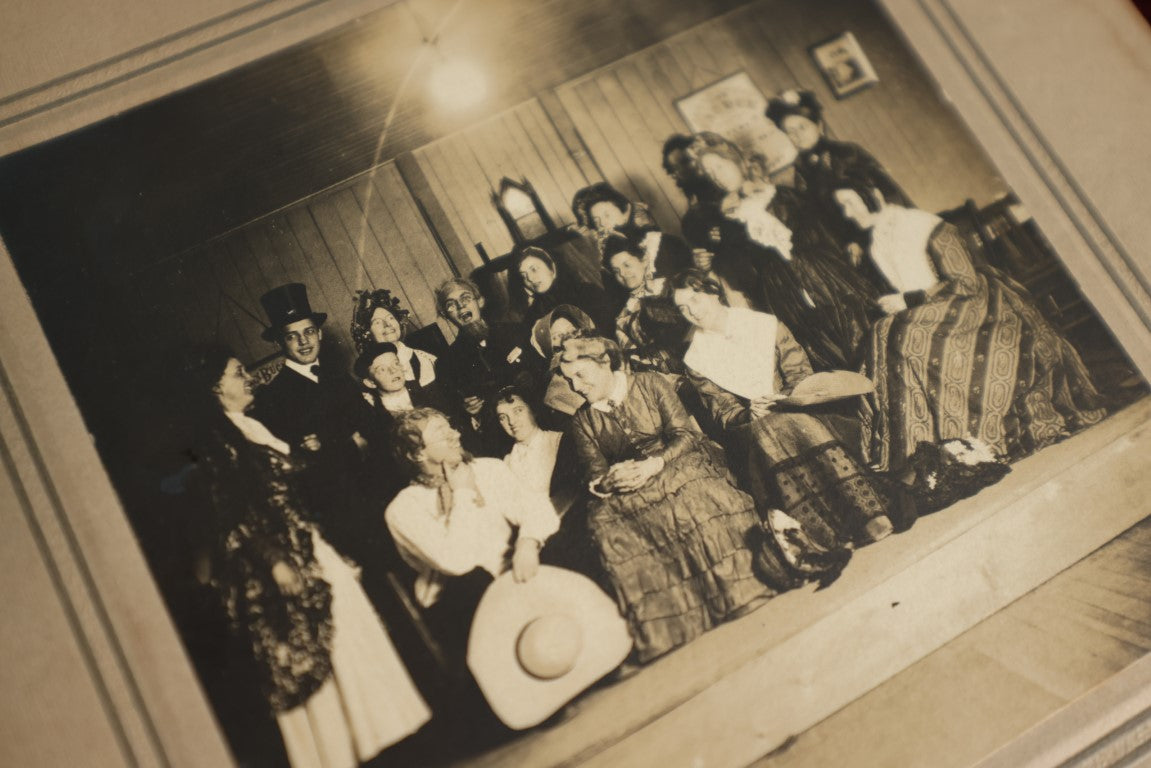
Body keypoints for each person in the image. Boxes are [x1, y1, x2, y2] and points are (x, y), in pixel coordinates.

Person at [188, 348, 430, 768]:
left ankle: (381, 745)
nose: (248, 377)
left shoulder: (251, 425)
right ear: (215, 388)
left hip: (307, 545)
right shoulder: (217, 442)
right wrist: (274, 559)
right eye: (237, 373)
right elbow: (229, 513)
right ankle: (337, 756)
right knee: (311, 653)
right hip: (276, 562)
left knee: (350, 638)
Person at [832, 180, 1109, 471]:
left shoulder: (925, 225)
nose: (847, 213)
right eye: (842, 207)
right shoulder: (875, 238)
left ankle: (963, 436)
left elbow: (966, 282)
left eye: (851, 202)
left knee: (903, 334)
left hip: (980, 306)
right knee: (885, 333)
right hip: (934, 310)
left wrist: (910, 299)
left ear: (873, 194)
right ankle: (916, 449)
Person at [559, 334, 776, 663]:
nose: (575, 387)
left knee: (690, 497)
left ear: (605, 364)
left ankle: (736, 593)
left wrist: (655, 463)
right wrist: (610, 480)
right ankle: (674, 627)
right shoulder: (582, 421)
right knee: (604, 523)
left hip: (678, 460)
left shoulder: (649, 384)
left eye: (580, 376)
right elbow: (594, 472)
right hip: (631, 481)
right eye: (568, 379)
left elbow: (685, 435)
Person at [670, 269, 896, 548]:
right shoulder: (696, 357)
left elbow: (799, 371)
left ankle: (864, 513)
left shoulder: (763, 325)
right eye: (682, 307)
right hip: (751, 428)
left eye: (695, 299)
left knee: (785, 425)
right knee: (770, 430)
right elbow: (722, 410)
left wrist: (783, 398)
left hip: (799, 406)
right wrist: (748, 412)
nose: (692, 310)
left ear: (714, 293)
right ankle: (826, 532)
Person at [688, 131, 879, 370]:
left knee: (862, 333)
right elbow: (744, 277)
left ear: (735, 160)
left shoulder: (784, 196)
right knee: (826, 353)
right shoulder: (726, 223)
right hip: (782, 293)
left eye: (719, 166)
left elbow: (824, 235)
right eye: (710, 173)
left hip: (824, 275)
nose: (717, 176)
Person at [384, 408, 560, 665]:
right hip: (462, 600)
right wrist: (463, 494)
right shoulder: (403, 509)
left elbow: (538, 508)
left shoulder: (487, 469)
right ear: (417, 453)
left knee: (553, 542)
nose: (456, 434)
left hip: (515, 572)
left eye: (451, 427)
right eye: (442, 433)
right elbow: (457, 562)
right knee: (472, 580)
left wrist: (527, 543)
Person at [251, 283, 366, 554]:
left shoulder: (339, 376)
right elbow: (300, 457)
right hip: (333, 503)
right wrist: (346, 439)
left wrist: (331, 439)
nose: (304, 342)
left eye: (309, 332)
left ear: (320, 334)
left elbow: (368, 423)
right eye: (293, 336)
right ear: (279, 343)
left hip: (369, 486)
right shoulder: (272, 398)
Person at [766, 88, 913, 287]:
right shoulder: (801, 170)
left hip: (885, 230)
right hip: (848, 248)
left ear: (819, 125)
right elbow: (820, 218)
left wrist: (860, 238)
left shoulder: (847, 153)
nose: (797, 136)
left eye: (802, 128)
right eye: (790, 133)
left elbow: (889, 194)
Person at [433, 277, 543, 455]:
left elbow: (543, 370)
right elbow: (453, 413)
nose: (461, 307)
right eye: (451, 305)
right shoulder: (447, 362)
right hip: (500, 441)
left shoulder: (517, 332)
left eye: (466, 298)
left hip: (541, 421)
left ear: (480, 301)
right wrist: (467, 410)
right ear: (446, 316)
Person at [603, 236, 690, 373]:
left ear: (644, 260)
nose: (623, 274)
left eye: (627, 265)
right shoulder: (623, 318)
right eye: (616, 271)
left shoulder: (672, 286)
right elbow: (635, 361)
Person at [507, 245, 613, 332]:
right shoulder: (532, 317)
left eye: (534, 269)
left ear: (552, 267)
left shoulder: (587, 292)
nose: (530, 278)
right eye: (523, 275)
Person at [350, 288, 438, 390]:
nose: (387, 325)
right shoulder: (369, 376)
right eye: (377, 322)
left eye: (391, 318)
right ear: (367, 332)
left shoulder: (424, 359)